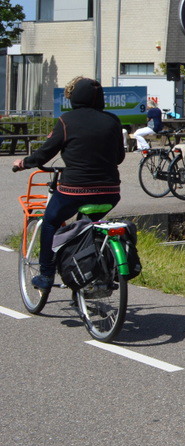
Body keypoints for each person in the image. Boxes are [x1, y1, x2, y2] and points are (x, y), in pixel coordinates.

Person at [12, 77, 126, 291]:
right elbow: (119, 157)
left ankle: (46, 275)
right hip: (110, 191)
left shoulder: (67, 121)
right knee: (87, 227)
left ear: (75, 98)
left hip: (75, 190)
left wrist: (24, 163)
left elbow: (45, 153)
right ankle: (87, 275)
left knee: (50, 221)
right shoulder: (113, 120)